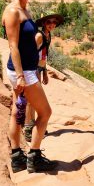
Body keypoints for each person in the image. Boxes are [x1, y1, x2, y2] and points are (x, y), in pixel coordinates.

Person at [3, 0, 58, 173]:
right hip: (23, 72)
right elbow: (13, 46)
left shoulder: (25, 10)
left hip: (25, 70)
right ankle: (34, 158)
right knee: (45, 113)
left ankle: (17, 158)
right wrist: (20, 76)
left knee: (17, 113)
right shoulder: (12, 12)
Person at [23, 13, 64, 143]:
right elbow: (30, 53)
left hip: (38, 69)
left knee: (34, 99)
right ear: (44, 23)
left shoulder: (48, 35)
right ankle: (28, 129)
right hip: (32, 69)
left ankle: (34, 125)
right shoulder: (40, 36)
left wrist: (45, 71)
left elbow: (43, 55)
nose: (52, 24)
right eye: (49, 22)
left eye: (54, 22)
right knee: (31, 99)